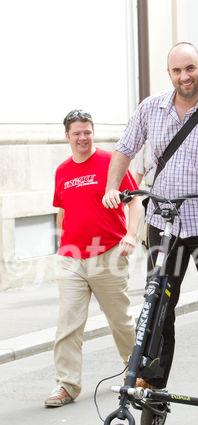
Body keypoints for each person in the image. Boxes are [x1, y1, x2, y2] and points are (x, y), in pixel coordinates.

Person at [102, 42, 198, 399]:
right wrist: (112, 188)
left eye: (190, 69)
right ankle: (152, 379)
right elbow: (124, 148)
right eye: (177, 71)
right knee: (158, 303)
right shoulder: (151, 108)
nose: (184, 77)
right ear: (169, 73)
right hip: (163, 224)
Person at [44, 109, 142, 407]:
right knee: (68, 324)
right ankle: (67, 385)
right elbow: (63, 210)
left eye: (87, 131)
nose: (83, 137)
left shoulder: (110, 163)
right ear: (67, 136)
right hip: (72, 258)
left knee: (121, 321)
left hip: (109, 254)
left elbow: (135, 200)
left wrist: (132, 235)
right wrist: (62, 245)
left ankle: (138, 375)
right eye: (77, 133)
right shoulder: (62, 171)